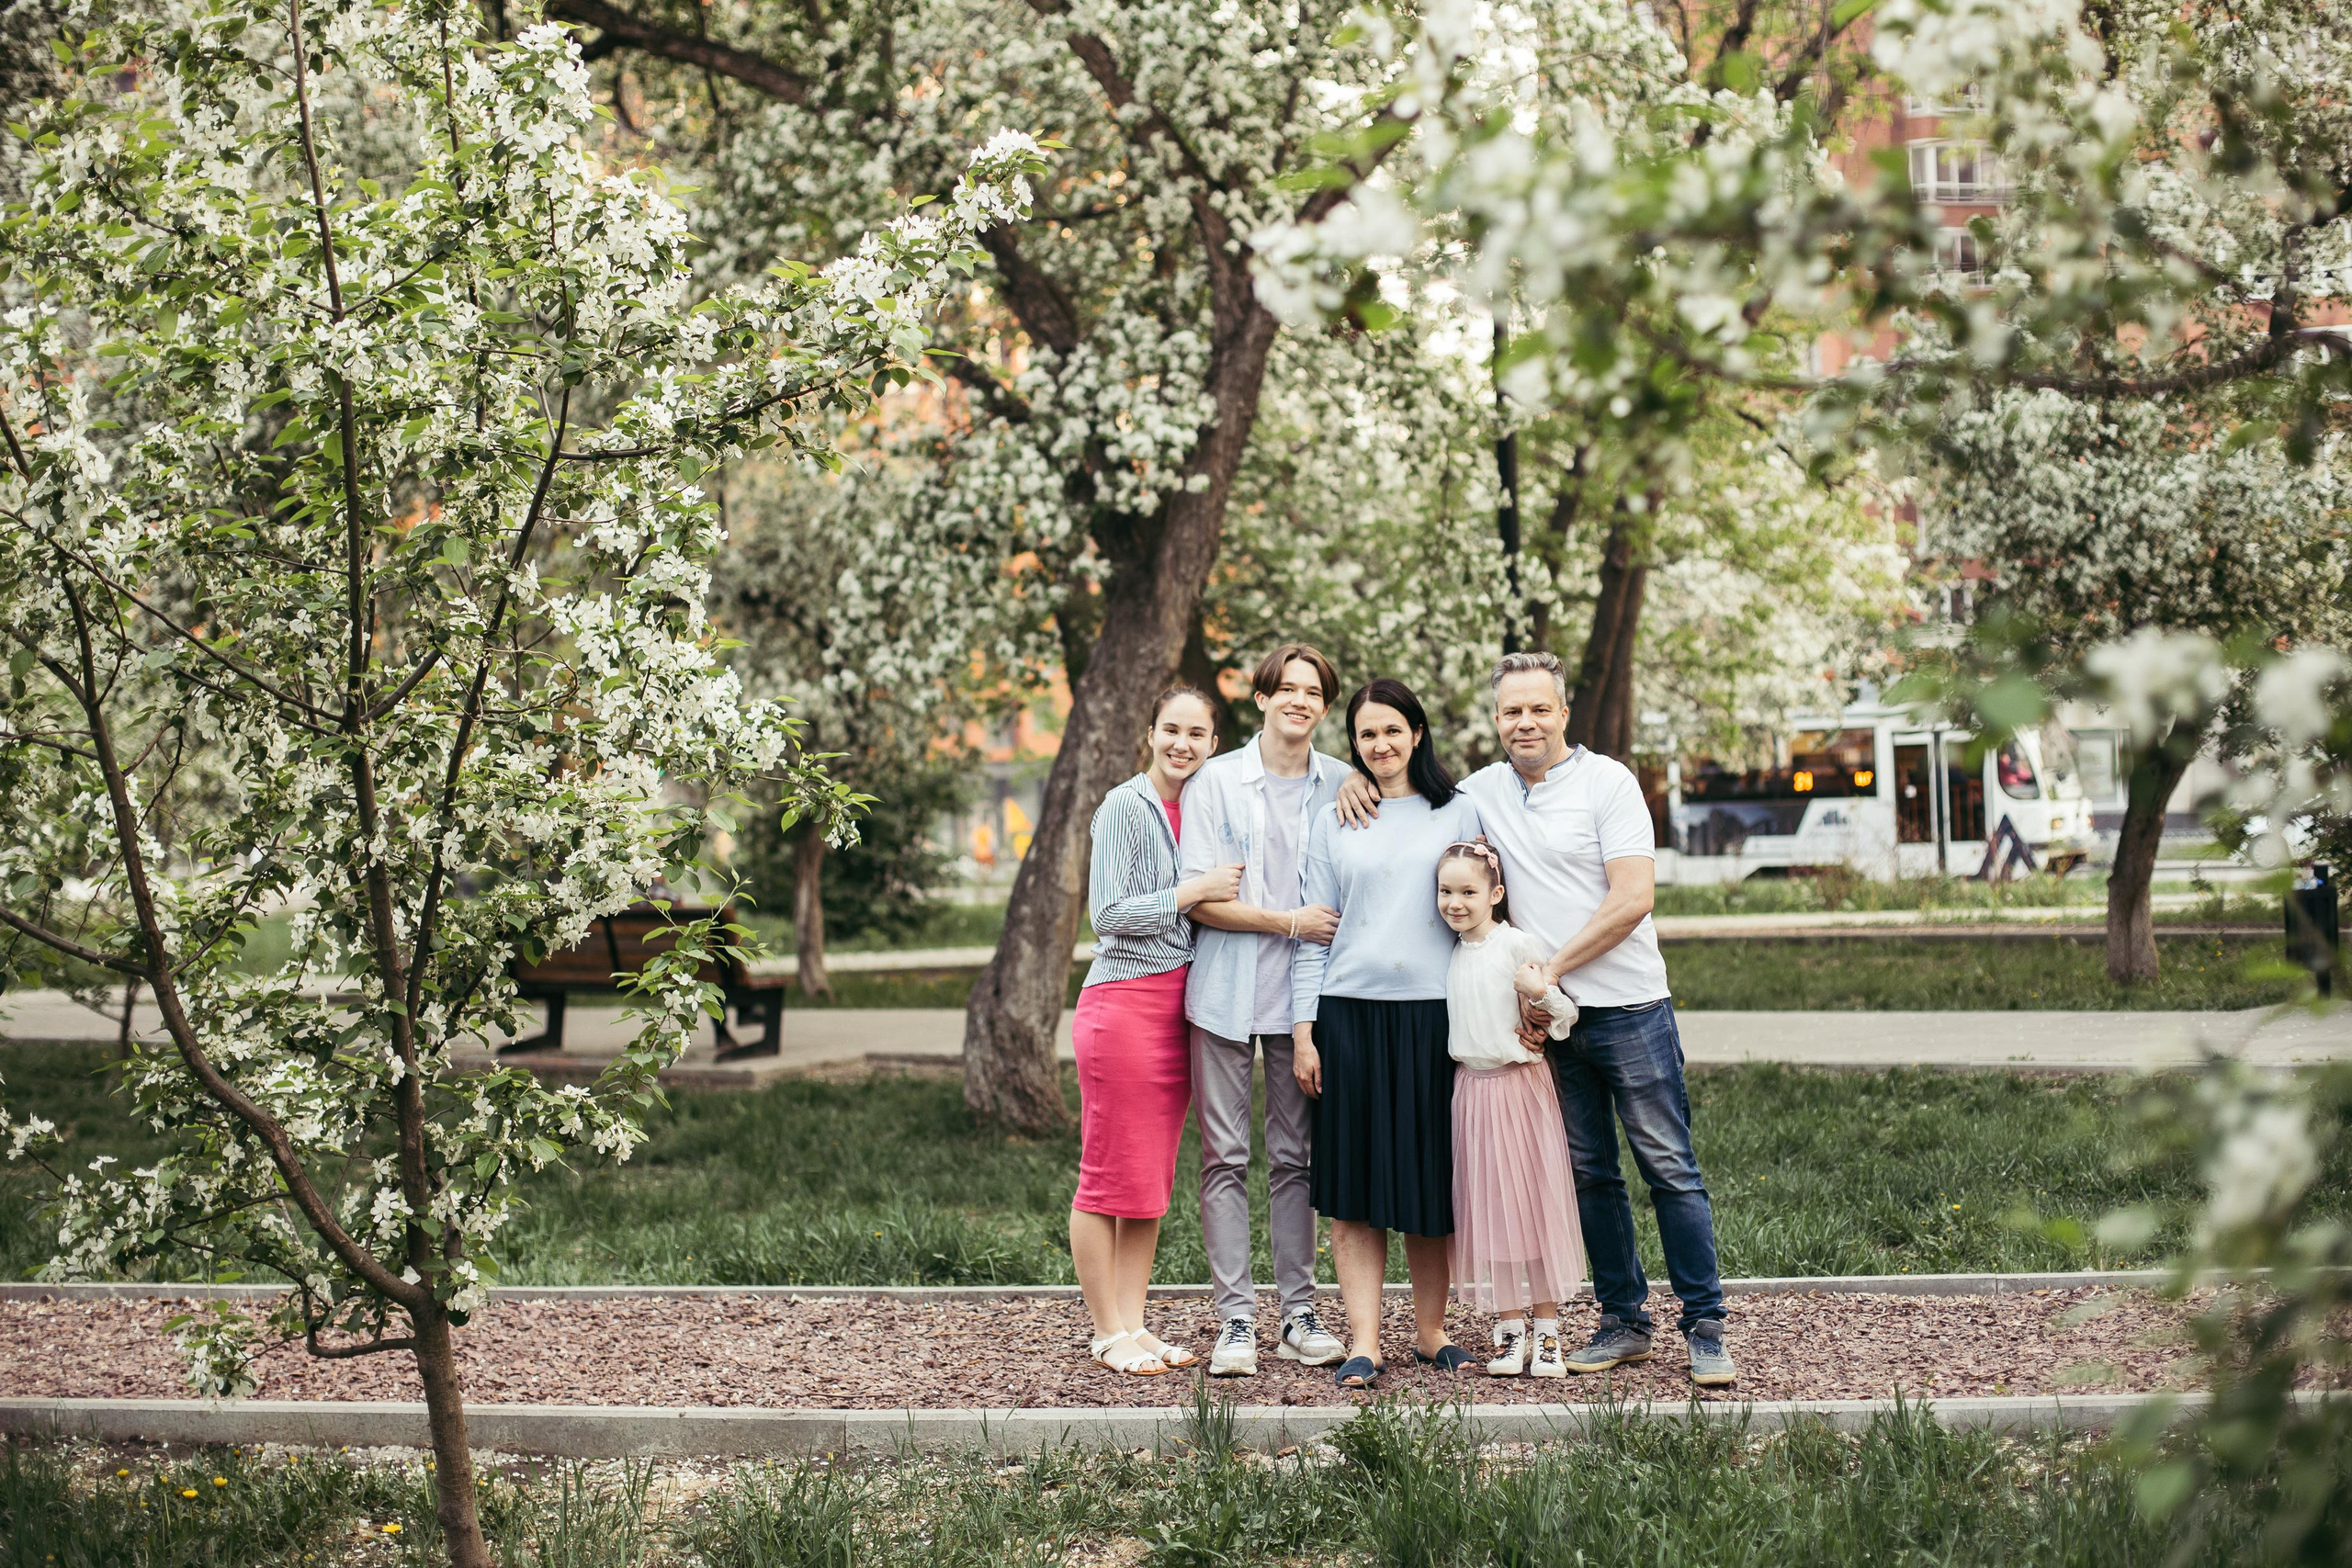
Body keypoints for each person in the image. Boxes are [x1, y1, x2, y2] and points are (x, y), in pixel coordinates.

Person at [1338, 650, 1735, 1388]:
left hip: (1628, 1005)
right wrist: (1361, 778)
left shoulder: (1608, 782)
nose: (1525, 721)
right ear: (1496, 720)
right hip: (1547, 1027)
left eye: (1538, 708)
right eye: (1511, 711)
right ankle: (1624, 1319)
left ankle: (1704, 1324)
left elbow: (1633, 896)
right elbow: (1414, 789)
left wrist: (1549, 971)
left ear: (1562, 712)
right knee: (1590, 1174)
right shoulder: (1483, 793)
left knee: (1669, 1166)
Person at [1292, 678, 1483, 1388]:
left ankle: (1432, 1333)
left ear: (1418, 731)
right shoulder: (1335, 818)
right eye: (1367, 734)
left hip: (1436, 1014)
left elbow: (1486, 905)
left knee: (1431, 1186)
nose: (1380, 745)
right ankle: (1366, 1341)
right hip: (1348, 1014)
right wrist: (1303, 1030)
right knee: (1354, 1187)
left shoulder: (1461, 810)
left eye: (1392, 730)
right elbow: (1313, 933)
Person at [1178, 644, 1350, 1376]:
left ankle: (1299, 1312)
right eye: (1288, 688)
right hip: (1223, 995)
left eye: (1313, 691)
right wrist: (1287, 921)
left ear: (1323, 705)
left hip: (1301, 1002)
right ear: (1262, 698)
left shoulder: (1343, 783)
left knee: (1294, 1159)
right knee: (1225, 1157)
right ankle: (1235, 1323)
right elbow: (1206, 902)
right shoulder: (1215, 782)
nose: (1300, 701)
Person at [1069, 685, 1241, 1377]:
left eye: (1197, 734)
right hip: (1123, 1006)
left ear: (1213, 743)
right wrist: (1191, 891)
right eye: (1172, 729)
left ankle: (1135, 1324)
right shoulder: (1124, 805)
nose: (1183, 744)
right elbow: (1107, 913)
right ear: (1150, 732)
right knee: (1105, 1176)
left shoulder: (1200, 808)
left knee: (1147, 1180)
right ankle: (1105, 1329)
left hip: (1178, 1009)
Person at [1434, 840, 1584, 1378]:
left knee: (1532, 1206)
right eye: (1445, 891)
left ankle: (1548, 1333)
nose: (1455, 902)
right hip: (1472, 1091)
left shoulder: (1518, 944)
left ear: (1495, 893)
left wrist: (1538, 994)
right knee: (1488, 1209)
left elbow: (1563, 1017)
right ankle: (1508, 1329)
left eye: (1469, 891)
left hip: (1520, 1087)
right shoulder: (1449, 950)